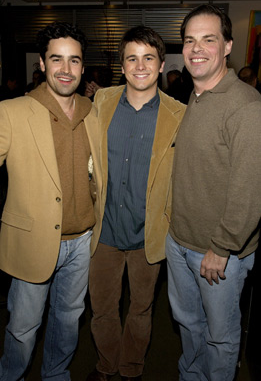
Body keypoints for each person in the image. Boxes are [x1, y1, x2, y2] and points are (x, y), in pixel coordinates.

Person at [166, 4, 261, 381]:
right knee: (188, 324)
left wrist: (221, 247)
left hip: (219, 253)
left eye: (209, 39)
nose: (197, 48)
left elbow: (250, 189)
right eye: (190, 40)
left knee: (220, 338)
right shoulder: (197, 94)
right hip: (179, 242)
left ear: (227, 46)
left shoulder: (246, 106)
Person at [85, 25, 186, 381]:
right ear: (122, 65)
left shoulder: (180, 114)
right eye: (132, 58)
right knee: (102, 311)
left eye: (148, 58)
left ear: (161, 65)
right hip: (105, 231)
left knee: (142, 311)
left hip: (150, 235)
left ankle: (131, 370)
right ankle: (106, 365)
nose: (139, 65)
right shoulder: (102, 102)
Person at [0, 21, 95, 381]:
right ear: (42, 64)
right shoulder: (12, 112)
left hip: (83, 242)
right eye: (57, 59)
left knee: (68, 322)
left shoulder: (93, 112)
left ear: (83, 67)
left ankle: (56, 375)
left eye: (74, 61)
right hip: (34, 241)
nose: (66, 69)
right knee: (23, 329)